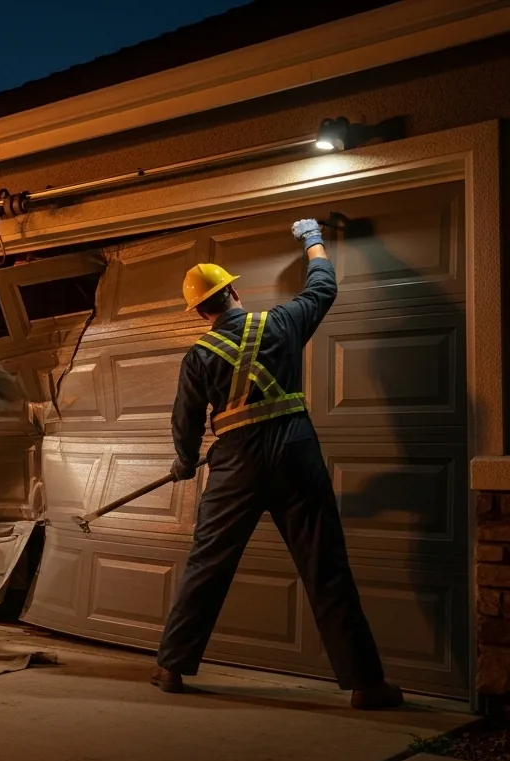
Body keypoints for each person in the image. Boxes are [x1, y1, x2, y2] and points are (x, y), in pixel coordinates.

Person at [152, 218, 403, 711]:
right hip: (294, 453)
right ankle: (365, 683)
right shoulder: (281, 323)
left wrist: (184, 461)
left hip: (235, 466)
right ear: (233, 294)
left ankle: (171, 666)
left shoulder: (198, 357)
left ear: (200, 309)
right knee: (325, 566)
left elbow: (184, 422)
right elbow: (324, 286)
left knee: (208, 565)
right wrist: (311, 240)